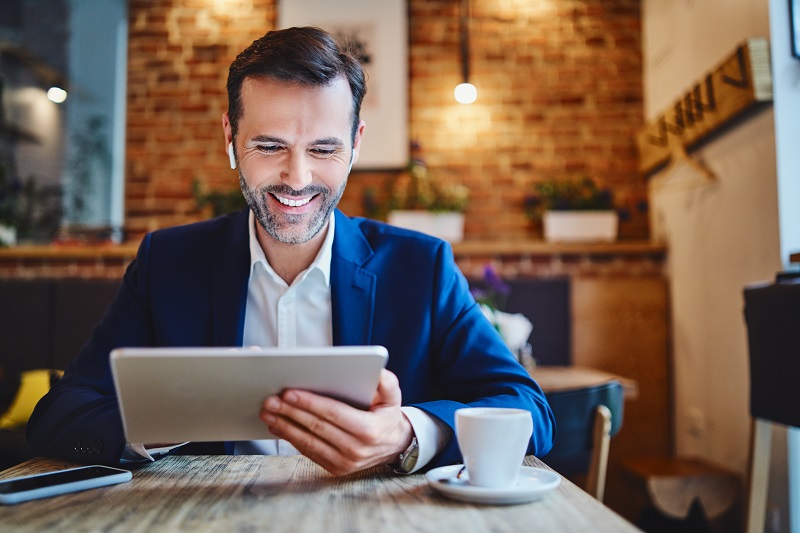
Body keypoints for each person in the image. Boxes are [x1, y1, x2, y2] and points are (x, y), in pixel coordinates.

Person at [27, 26, 555, 475]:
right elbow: (61, 413)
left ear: (356, 145)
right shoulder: (168, 262)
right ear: (230, 139)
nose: (296, 179)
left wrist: (407, 432)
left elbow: (530, 410)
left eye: (324, 149)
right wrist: (167, 420)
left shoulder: (422, 266)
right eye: (270, 146)